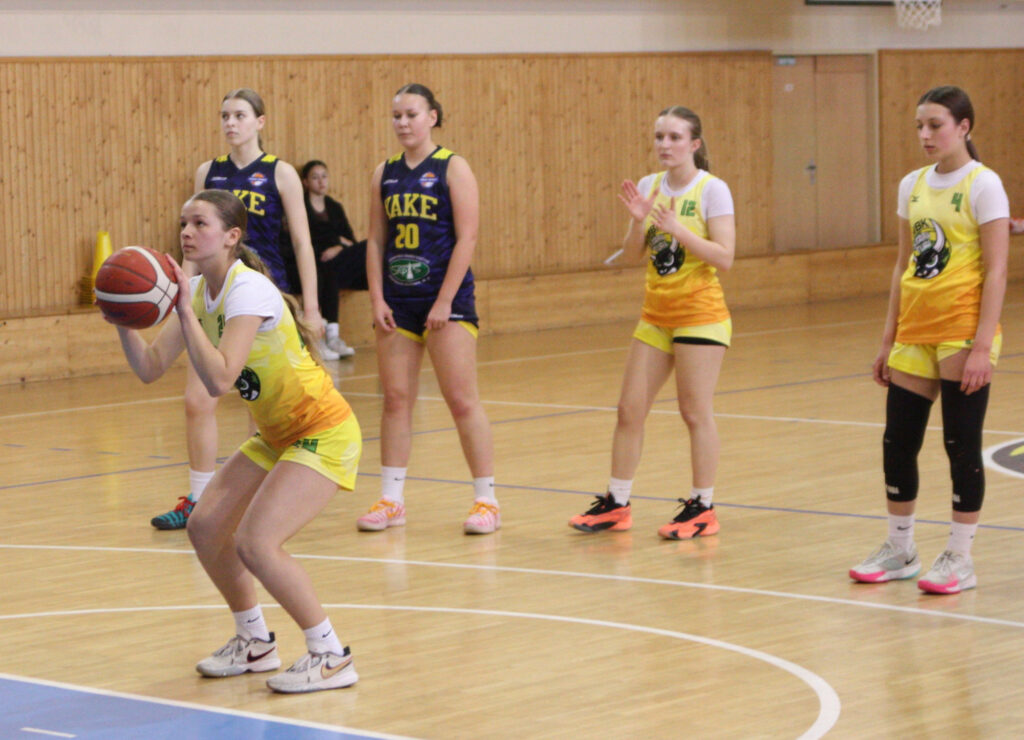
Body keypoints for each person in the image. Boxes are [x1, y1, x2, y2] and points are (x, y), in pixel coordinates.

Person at [113, 189, 361, 693]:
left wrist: (184, 313)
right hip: (276, 435)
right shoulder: (195, 291)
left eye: (199, 223)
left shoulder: (246, 289)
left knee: (256, 542)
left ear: (231, 236)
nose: (186, 232)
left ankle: (331, 654)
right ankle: (255, 642)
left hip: (323, 430)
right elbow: (150, 368)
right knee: (205, 527)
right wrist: (122, 319)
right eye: (183, 223)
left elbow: (221, 379)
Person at [849, 86, 1010, 594]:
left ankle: (960, 558)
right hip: (914, 332)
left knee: (960, 445)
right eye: (920, 125)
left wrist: (981, 346)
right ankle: (901, 549)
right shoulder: (912, 184)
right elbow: (904, 263)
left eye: (935, 125)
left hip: (962, 330)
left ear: (963, 127)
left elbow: (998, 270)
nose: (925, 134)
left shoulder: (985, 185)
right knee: (898, 442)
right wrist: (887, 338)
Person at [151, 88, 324, 531]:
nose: (231, 122)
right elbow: (193, 239)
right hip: (214, 293)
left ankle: (253, 499)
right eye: (225, 115)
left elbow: (302, 242)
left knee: (258, 406)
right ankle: (198, 498)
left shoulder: (280, 173)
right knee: (197, 398)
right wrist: (182, 292)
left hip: (261, 297)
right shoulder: (208, 171)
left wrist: (312, 306)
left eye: (240, 115)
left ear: (260, 122)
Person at [567, 106, 735, 539]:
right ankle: (617, 503)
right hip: (656, 316)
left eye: (675, 137)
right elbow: (631, 254)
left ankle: (703, 507)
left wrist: (679, 229)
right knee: (629, 409)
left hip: (700, 315)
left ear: (694, 144)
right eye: (659, 136)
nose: (664, 144)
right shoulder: (649, 186)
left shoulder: (713, 190)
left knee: (694, 412)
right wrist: (639, 220)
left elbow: (725, 257)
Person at [357, 83, 499, 535]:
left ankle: (487, 500)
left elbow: (467, 237)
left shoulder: (453, 167)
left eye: (411, 114)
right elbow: (376, 240)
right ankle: (391, 499)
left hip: (445, 298)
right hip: (398, 301)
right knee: (396, 399)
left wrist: (444, 300)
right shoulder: (384, 172)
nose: (402, 123)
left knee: (461, 400)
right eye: (396, 115)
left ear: (432, 117)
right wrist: (377, 298)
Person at [292, 159, 369, 360]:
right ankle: (328, 336)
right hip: (313, 263)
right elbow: (304, 240)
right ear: (305, 182)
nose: (321, 182)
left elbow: (350, 240)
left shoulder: (334, 207)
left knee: (369, 246)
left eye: (324, 176)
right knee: (328, 272)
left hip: (336, 259)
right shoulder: (301, 206)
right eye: (315, 177)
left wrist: (337, 246)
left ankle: (332, 336)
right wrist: (336, 241)